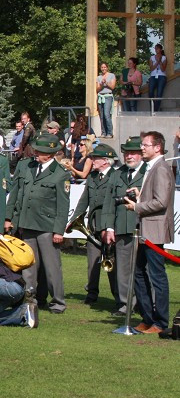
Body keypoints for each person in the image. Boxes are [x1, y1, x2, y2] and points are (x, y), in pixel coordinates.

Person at [5, 133, 70, 314]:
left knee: (51, 268)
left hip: (47, 227)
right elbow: (16, 194)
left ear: (49, 154)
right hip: (27, 224)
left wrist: (59, 231)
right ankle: (29, 298)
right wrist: (9, 217)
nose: (37, 153)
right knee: (29, 266)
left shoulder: (60, 174)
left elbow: (63, 206)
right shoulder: (28, 167)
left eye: (41, 151)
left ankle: (58, 302)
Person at [123, 131, 173, 334]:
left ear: (157, 147)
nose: (141, 148)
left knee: (156, 276)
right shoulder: (153, 167)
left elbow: (161, 202)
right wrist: (140, 195)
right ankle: (147, 317)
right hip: (145, 229)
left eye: (145, 145)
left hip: (155, 230)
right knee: (138, 273)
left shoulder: (161, 168)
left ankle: (160, 322)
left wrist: (136, 207)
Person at [102, 137, 145, 317]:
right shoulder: (117, 174)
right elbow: (109, 203)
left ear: (141, 154)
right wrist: (109, 227)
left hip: (143, 228)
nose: (129, 156)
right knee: (122, 270)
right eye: (126, 152)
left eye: (133, 152)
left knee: (145, 270)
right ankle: (125, 304)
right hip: (121, 227)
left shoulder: (148, 172)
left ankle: (146, 304)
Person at [72, 144, 119, 307]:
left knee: (111, 262)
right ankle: (92, 293)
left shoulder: (116, 176)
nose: (92, 160)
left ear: (105, 161)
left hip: (109, 226)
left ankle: (118, 295)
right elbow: (84, 200)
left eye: (95, 158)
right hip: (93, 226)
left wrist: (110, 227)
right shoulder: (92, 177)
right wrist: (73, 219)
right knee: (92, 261)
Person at [95, 62, 116, 137]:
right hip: (100, 96)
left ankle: (110, 132)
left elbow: (113, 86)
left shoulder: (111, 75)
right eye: (102, 67)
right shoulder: (98, 77)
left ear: (107, 68)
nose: (103, 69)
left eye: (104, 67)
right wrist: (101, 84)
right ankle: (103, 132)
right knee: (102, 116)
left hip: (108, 97)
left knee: (107, 115)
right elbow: (97, 89)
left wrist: (106, 83)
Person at [148, 43, 167, 111]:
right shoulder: (152, 57)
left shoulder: (164, 57)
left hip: (161, 76)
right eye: (155, 48)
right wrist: (157, 61)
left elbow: (163, 69)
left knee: (159, 93)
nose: (156, 50)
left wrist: (160, 61)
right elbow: (151, 68)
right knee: (150, 92)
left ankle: (155, 109)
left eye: (157, 48)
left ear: (161, 49)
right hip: (153, 76)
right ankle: (152, 107)